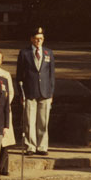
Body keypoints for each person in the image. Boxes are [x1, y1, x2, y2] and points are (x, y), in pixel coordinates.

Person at [16, 26, 55, 156]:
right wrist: (21, 93)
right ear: (31, 39)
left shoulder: (48, 53)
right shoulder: (24, 53)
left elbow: (51, 75)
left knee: (43, 121)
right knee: (29, 121)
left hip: (45, 92)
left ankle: (42, 146)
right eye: (36, 38)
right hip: (29, 92)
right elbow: (19, 75)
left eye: (41, 39)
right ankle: (30, 146)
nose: (39, 41)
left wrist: (51, 93)